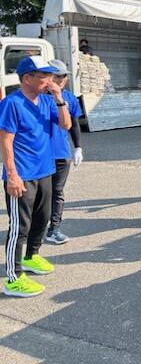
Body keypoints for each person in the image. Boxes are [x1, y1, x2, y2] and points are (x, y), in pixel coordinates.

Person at [0, 56, 72, 297]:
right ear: (27, 78)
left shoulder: (47, 100)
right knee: (20, 226)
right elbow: (5, 141)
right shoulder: (12, 103)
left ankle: (31, 256)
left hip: (45, 171)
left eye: (51, 76)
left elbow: (65, 125)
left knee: (42, 220)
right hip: (22, 174)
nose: (50, 80)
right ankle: (13, 278)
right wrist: (12, 175)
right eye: (44, 76)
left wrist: (59, 98)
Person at [45, 60, 84, 245]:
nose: (62, 79)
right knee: (39, 194)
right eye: (58, 76)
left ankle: (54, 229)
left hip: (61, 153)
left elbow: (74, 124)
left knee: (57, 192)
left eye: (64, 76)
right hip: (40, 154)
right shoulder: (38, 97)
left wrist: (78, 147)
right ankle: (33, 226)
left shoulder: (69, 98)